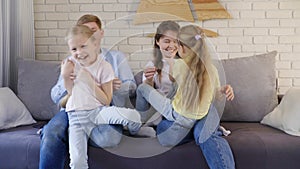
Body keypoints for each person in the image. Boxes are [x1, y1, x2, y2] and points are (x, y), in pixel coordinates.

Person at [39, 14, 136, 169]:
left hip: (102, 107)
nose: (89, 34)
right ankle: (71, 132)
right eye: (84, 31)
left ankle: (77, 134)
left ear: (101, 33)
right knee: (53, 132)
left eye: (92, 30)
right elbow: (56, 95)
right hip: (72, 109)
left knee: (109, 138)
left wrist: (115, 85)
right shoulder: (72, 60)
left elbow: (131, 87)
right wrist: (67, 79)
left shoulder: (115, 58)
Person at [136, 25, 235, 169]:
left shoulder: (178, 66)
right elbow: (215, 96)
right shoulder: (211, 69)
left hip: (177, 116)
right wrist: (223, 90)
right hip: (198, 115)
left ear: (182, 47)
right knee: (202, 121)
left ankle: (136, 125)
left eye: (176, 43)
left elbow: (167, 70)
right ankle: (201, 129)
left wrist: (151, 75)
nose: (173, 47)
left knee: (143, 90)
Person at [63, 25, 142, 169]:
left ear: (95, 44)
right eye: (74, 49)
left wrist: (87, 79)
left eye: (83, 46)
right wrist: (65, 76)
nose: (79, 52)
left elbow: (106, 100)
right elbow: (70, 92)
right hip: (76, 118)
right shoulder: (71, 65)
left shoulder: (104, 67)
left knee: (133, 116)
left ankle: (136, 131)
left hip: (98, 112)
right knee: (77, 162)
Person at [136, 20, 180, 125]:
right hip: (158, 108)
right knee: (142, 88)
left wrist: (172, 62)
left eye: (175, 41)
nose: (172, 45)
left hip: (177, 107)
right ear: (157, 41)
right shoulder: (152, 65)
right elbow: (146, 95)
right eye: (167, 41)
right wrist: (149, 80)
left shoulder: (185, 64)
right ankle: (139, 124)